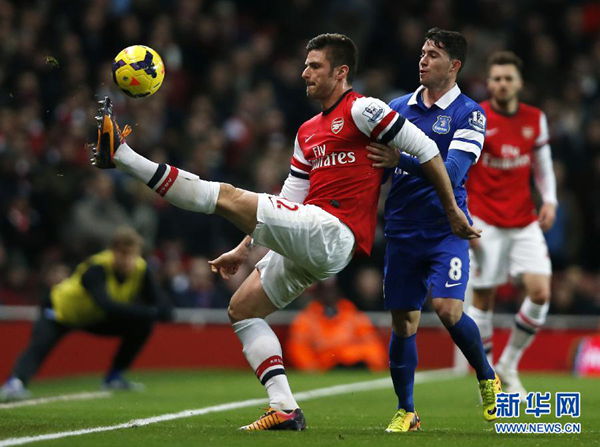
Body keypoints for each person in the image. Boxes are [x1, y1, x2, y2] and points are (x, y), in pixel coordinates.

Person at [91, 32, 479, 431]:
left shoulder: (366, 110)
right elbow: (289, 196)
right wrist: (244, 250)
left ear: (341, 72)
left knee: (225, 196)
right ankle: (285, 409)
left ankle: (121, 156)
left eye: (314, 66)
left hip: (335, 231)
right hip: (309, 235)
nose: (304, 73)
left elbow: (427, 149)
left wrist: (451, 209)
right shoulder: (307, 131)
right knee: (242, 310)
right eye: (305, 65)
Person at [366, 27, 500, 432]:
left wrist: (398, 159)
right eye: (423, 52)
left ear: (454, 65)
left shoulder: (469, 113)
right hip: (402, 229)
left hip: (445, 227)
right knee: (404, 320)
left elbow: (455, 171)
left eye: (434, 55)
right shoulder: (397, 106)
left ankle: (486, 375)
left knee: (446, 309)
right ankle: (407, 410)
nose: (423, 60)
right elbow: (376, 165)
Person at [465, 51, 557, 399]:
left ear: (519, 83)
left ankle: (509, 363)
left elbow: (542, 165)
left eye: (508, 78)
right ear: (489, 83)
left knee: (541, 293)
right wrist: (464, 215)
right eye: (496, 79)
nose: (502, 84)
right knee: (484, 297)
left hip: (523, 220)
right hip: (484, 219)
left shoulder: (535, 119)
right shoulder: (476, 117)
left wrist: (550, 200)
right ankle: (489, 377)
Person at [0, 226, 172, 402]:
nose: (128, 260)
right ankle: (15, 382)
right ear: (113, 251)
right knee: (40, 345)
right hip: (61, 311)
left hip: (92, 318)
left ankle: (114, 378)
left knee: (142, 325)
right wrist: (152, 312)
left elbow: (165, 309)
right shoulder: (96, 268)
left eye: (132, 254)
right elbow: (107, 305)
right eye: (123, 253)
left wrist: (156, 311)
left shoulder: (141, 270)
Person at [286, 277, 387, 372]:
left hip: (355, 364)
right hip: (325, 368)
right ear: (318, 292)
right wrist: (313, 370)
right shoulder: (305, 319)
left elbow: (372, 344)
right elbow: (298, 348)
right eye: (324, 289)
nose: (329, 293)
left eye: (332, 289)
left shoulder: (354, 316)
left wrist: (374, 365)